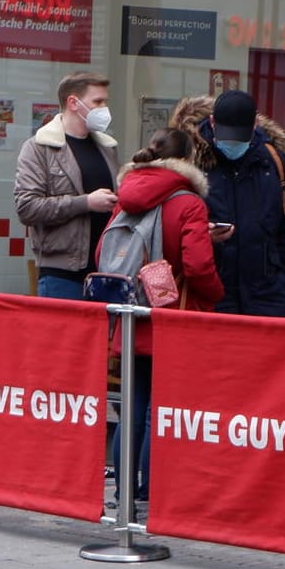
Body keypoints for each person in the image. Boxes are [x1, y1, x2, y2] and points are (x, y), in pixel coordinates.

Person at [101, 128, 223, 509]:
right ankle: (152, 494)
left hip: (131, 312)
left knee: (131, 407)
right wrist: (217, 294)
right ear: (187, 160)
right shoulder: (189, 203)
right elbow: (197, 265)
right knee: (159, 410)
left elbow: (106, 252)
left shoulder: (126, 197)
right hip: (170, 318)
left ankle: (123, 493)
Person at [171, 90, 285, 316]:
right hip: (212, 292)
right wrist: (202, 234)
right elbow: (170, 222)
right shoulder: (191, 161)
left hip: (267, 295)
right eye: (226, 137)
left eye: (238, 138)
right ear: (212, 122)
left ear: (254, 125)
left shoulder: (272, 162)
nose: (232, 144)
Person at [14, 72, 120, 299]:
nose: (104, 109)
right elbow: (27, 207)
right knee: (63, 335)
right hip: (62, 273)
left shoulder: (107, 148)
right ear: (73, 102)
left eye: (106, 102)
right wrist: (86, 203)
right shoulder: (40, 148)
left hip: (107, 269)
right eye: (98, 102)